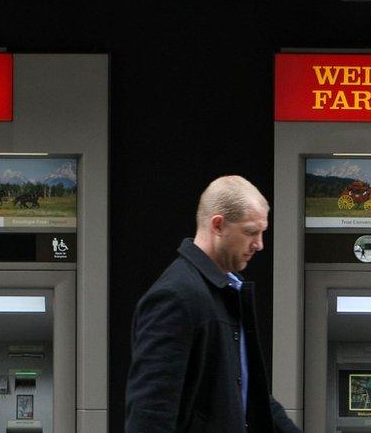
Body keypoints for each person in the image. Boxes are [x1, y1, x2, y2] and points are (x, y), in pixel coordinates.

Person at [125, 176, 301, 433]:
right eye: (251, 232)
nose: (259, 244)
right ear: (218, 225)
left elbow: (251, 395)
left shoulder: (225, 290)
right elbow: (151, 413)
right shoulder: (175, 296)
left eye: (263, 232)